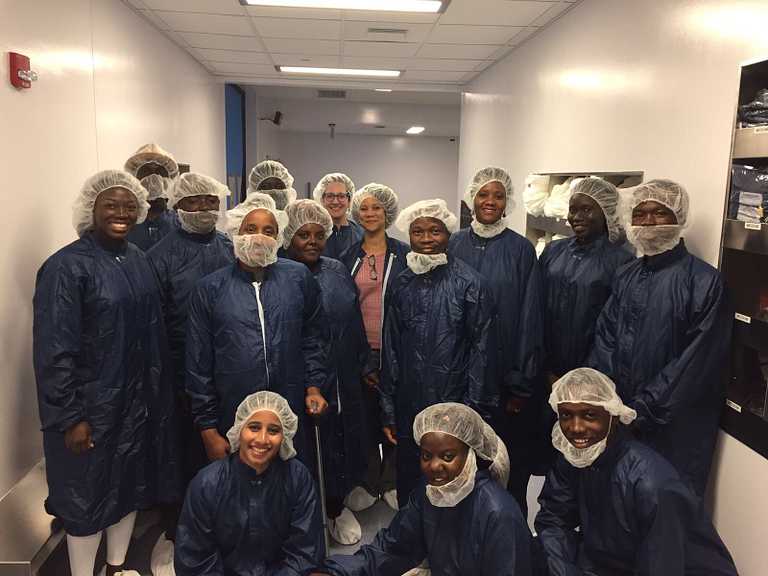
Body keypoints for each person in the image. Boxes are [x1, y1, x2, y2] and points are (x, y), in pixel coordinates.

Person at [33, 169, 180, 576]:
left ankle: (115, 568)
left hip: (135, 405)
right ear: (91, 210)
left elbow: (151, 336)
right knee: (86, 497)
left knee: (128, 488)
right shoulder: (66, 268)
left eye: (129, 206)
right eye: (110, 206)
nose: (121, 213)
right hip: (90, 410)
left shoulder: (138, 260)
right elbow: (54, 351)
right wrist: (70, 417)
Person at [589, 179, 733, 495]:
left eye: (660, 213)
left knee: (665, 509)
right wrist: (605, 400)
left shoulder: (706, 283)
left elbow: (695, 365)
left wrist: (641, 412)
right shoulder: (627, 275)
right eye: (640, 214)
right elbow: (607, 338)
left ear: (678, 217)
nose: (648, 222)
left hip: (676, 426)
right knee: (616, 506)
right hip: (620, 416)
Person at [535, 368, 738, 575]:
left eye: (589, 415)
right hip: (610, 564)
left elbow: (660, 564)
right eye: (566, 415)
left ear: (614, 417)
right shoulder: (575, 458)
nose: (576, 427)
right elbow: (553, 520)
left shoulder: (653, 484)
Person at [185, 192, 330, 472]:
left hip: (290, 402)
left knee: (289, 479)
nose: (259, 237)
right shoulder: (210, 289)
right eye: (250, 229)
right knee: (237, 483)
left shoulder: (298, 278)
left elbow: (313, 337)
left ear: (278, 238)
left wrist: (313, 385)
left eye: (268, 231)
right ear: (235, 234)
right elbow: (198, 362)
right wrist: (207, 428)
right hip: (233, 405)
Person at [312, 403, 535, 576]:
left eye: (448, 457)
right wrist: (338, 572)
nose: (434, 466)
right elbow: (392, 548)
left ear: (471, 455)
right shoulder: (429, 495)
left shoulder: (500, 514)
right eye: (427, 456)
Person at [381, 198, 499, 508]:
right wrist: (389, 408)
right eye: (417, 232)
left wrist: (474, 413)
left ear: (448, 234)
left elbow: (482, 354)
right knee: (411, 474)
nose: (426, 239)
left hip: (455, 401)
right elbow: (391, 347)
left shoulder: (471, 284)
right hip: (409, 403)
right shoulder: (401, 282)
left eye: (435, 231)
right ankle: (412, 540)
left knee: (452, 478)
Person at [449, 166, 544, 515]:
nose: (490, 201)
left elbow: (530, 316)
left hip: (504, 376)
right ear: (471, 198)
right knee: (461, 454)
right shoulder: (454, 244)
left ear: (508, 203)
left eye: (498, 195)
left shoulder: (521, 250)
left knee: (506, 459)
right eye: (483, 194)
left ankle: (508, 525)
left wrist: (521, 381)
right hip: (458, 374)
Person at [283, 199, 373, 545]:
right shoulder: (278, 274)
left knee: (341, 444)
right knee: (302, 449)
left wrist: (364, 364)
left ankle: (335, 507)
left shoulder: (337, 270)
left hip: (343, 376)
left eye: (319, 234)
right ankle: (301, 516)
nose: (312, 241)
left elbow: (355, 322)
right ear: (289, 236)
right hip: (299, 381)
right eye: (303, 234)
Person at [147, 172, 235, 483]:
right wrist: (178, 381)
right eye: (193, 200)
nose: (203, 208)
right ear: (177, 205)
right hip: (181, 369)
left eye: (211, 201)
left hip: (229, 364)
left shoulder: (232, 248)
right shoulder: (159, 257)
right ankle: (182, 519)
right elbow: (155, 326)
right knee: (187, 450)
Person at [175, 391, 324, 575]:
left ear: (285, 435)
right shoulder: (207, 484)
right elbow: (195, 559)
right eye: (254, 427)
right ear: (239, 429)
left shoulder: (298, 478)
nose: (262, 439)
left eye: (273, 430)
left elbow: (305, 552)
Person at [338, 183, 409, 512]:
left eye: (376, 208)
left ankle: (393, 480)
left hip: (397, 349)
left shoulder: (405, 255)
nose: (369, 214)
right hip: (360, 352)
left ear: (387, 213)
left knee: (396, 414)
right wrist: (362, 359)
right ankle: (368, 479)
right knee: (365, 418)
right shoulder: (347, 258)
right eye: (364, 208)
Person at [540, 178, 635, 382]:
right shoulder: (553, 251)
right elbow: (535, 309)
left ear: (606, 214)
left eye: (586, 210)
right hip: (544, 369)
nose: (577, 217)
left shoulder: (621, 262)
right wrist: (543, 369)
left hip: (591, 373)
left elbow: (615, 327)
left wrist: (587, 373)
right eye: (573, 210)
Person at [313, 173, 364, 259]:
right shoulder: (313, 234)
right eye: (329, 196)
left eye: (341, 196)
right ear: (321, 200)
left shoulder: (361, 235)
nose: (336, 202)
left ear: (349, 201)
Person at [125, 173, 180, 251]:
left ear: (167, 199)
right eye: (149, 200)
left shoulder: (178, 223)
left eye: (157, 199)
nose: (152, 203)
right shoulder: (131, 222)